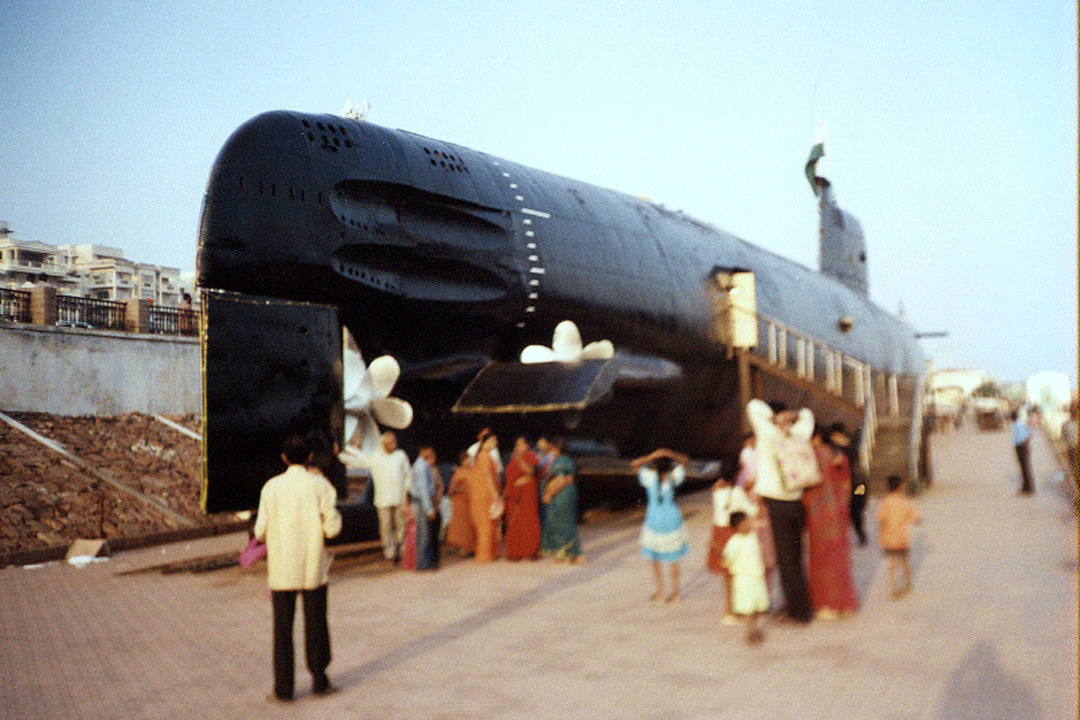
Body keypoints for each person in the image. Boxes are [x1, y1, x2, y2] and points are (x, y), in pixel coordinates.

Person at [254, 432, 342, 702]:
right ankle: (320, 681)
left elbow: (259, 532)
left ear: (283, 458)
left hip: (281, 570)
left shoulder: (271, 487)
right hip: (313, 566)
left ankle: (283, 688)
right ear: (310, 457)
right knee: (316, 624)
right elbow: (332, 527)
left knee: (282, 630)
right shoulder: (320, 486)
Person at [746, 398, 815, 623]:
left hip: (777, 503)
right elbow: (807, 414)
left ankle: (798, 612)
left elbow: (753, 406)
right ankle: (799, 605)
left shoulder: (768, 434)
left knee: (786, 560)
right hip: (797, 501)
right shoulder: (799, 433)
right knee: (796, 556)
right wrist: (792, 415)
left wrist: (774, 418)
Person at [803, 429, 859, 619]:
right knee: (839, 556)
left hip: (819, 511)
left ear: (816, 437)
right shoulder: (839, 455)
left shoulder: (813, 456)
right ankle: (844, 604)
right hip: (839, 509)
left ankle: (827, 605)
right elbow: (847, 486)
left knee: (821, 557)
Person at [339, 431, 411, 562]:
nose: (392, 445)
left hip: (399, 497)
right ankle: (389, 552)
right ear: (383, 443)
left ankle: (401, 549)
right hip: (383, 499)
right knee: (385, 526)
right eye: (389, 442)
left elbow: (408, 475)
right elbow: (357, 461)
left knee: (401, 524)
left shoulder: (400, 455)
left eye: (393, 442)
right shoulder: (375, 457)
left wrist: (406, 492)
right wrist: (339, 455)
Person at [633, 448, 692, 604]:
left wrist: (652, 455)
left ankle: (660, 593)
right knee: (674, 558)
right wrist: (669, 453)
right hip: (672, 517)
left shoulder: (649, 476)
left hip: (654, 518)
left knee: (655, 558)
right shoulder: (673, 476)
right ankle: (675, 593)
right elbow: (685, 460)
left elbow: (634, 464)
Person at [706, 458, 756, 622]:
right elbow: (751, 510)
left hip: (717, 531)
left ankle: (731, 609)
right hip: (731, 532)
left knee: (726, 574)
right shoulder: (737, 492)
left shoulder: (717, 491)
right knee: (734, 573)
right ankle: (731, 610)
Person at [722, 511, 769, 645]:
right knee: (748, 608)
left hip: (756, 577)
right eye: (745, 522)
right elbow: (727, 558)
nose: (749, 524)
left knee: (755, 607)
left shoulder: (753, 537)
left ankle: (754, 630)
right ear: (737, 526)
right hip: (744, 579)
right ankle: (750, 632)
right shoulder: (734, 542)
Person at [875, 474, 921, 598]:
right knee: (905, 562)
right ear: (900, 486)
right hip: (902, 538)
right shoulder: (905, 502)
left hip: (889, 538)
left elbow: (880, 518)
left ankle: (893, 588)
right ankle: (907, 584)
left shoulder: (885, 502)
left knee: (892, 564)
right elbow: (916, 518)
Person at [540, 438, 584, 563]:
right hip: (568, 494)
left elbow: (561, 480)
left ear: (556, 449)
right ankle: (564, 553)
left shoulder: (559, 461)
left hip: (561, 495)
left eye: (553, 448)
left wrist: (549, 494)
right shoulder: (569, 461)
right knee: (566, 522)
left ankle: (573, 554)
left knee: (560, 523)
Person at [503, 436, 542, 560]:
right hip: (513, 496)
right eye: (516, 445)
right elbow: (509, 476)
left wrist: (519, 459)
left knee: (529, 522)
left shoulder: (531, 456)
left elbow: (531, 472)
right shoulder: (512, 460)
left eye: (520, 444)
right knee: (515, 523)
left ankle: (530, 551)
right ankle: (516, 552)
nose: (517, 447)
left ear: (527, 446)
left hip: (527, 494)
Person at [468, 430, 502, 563]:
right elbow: (488, 476)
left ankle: (490, 553)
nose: (496, 443)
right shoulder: (484, 456)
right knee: (485, 525)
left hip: (482, 494)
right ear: (486, 442)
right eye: (493, 441)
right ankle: (484, 555)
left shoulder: (484, 455)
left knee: (489, 524)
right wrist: (494, 494)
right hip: (485, 494)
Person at [410, 446, 442, 571]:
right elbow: (423, 490)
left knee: (425, 533)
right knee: (424, 535)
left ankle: (425, 562)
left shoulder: (421, 465)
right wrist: (429, 509)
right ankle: (423, 564)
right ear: (423, 451)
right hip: (421, 503)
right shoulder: (422, 467)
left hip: (421, 502)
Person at [443, 452, 476, 556]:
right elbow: (452, 489)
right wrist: (464, 490)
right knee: (462, 526)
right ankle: (463, 548)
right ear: (462, 461)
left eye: (470, 460)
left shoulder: (472, 471)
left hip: (471, 501)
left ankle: (471, 548)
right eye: (467, 460)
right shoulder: (458, 472)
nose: (469, 462)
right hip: (460, 502)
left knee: (471, 524)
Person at [1011, 409, 1035, 495]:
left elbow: (1030, 431)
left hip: (1021, 447)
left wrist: (1027, 444)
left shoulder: (1018, 425)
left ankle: (1028, 488)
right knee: (1024, 468)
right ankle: (1027, 487)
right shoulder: (1018, 424)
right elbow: (1030, 432)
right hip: (1020, 446)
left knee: (1024, 468)